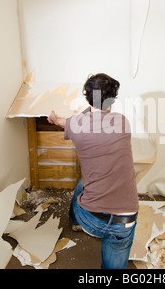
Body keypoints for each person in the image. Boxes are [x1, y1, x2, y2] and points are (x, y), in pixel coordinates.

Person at [47, 73, 139, 269]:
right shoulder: (123, 123)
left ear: (87, 98)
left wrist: (54, 118)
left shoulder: (76, 125)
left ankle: (75, 221)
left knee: (82, 184)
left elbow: (62, 121)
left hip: (91, 219)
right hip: (125, 221)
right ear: (113, 99)